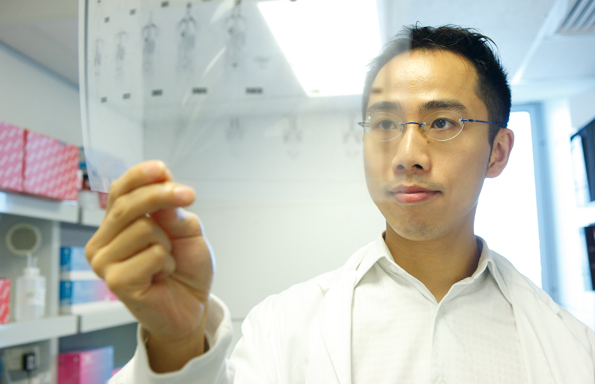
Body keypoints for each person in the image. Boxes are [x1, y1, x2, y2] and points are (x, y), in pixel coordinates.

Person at [86, 25, 595, 383]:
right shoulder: (282, 327)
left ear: (498, 152)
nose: (407, 155)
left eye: (442, 123)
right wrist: (175, 344)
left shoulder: (574, 349)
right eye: (384, 123)